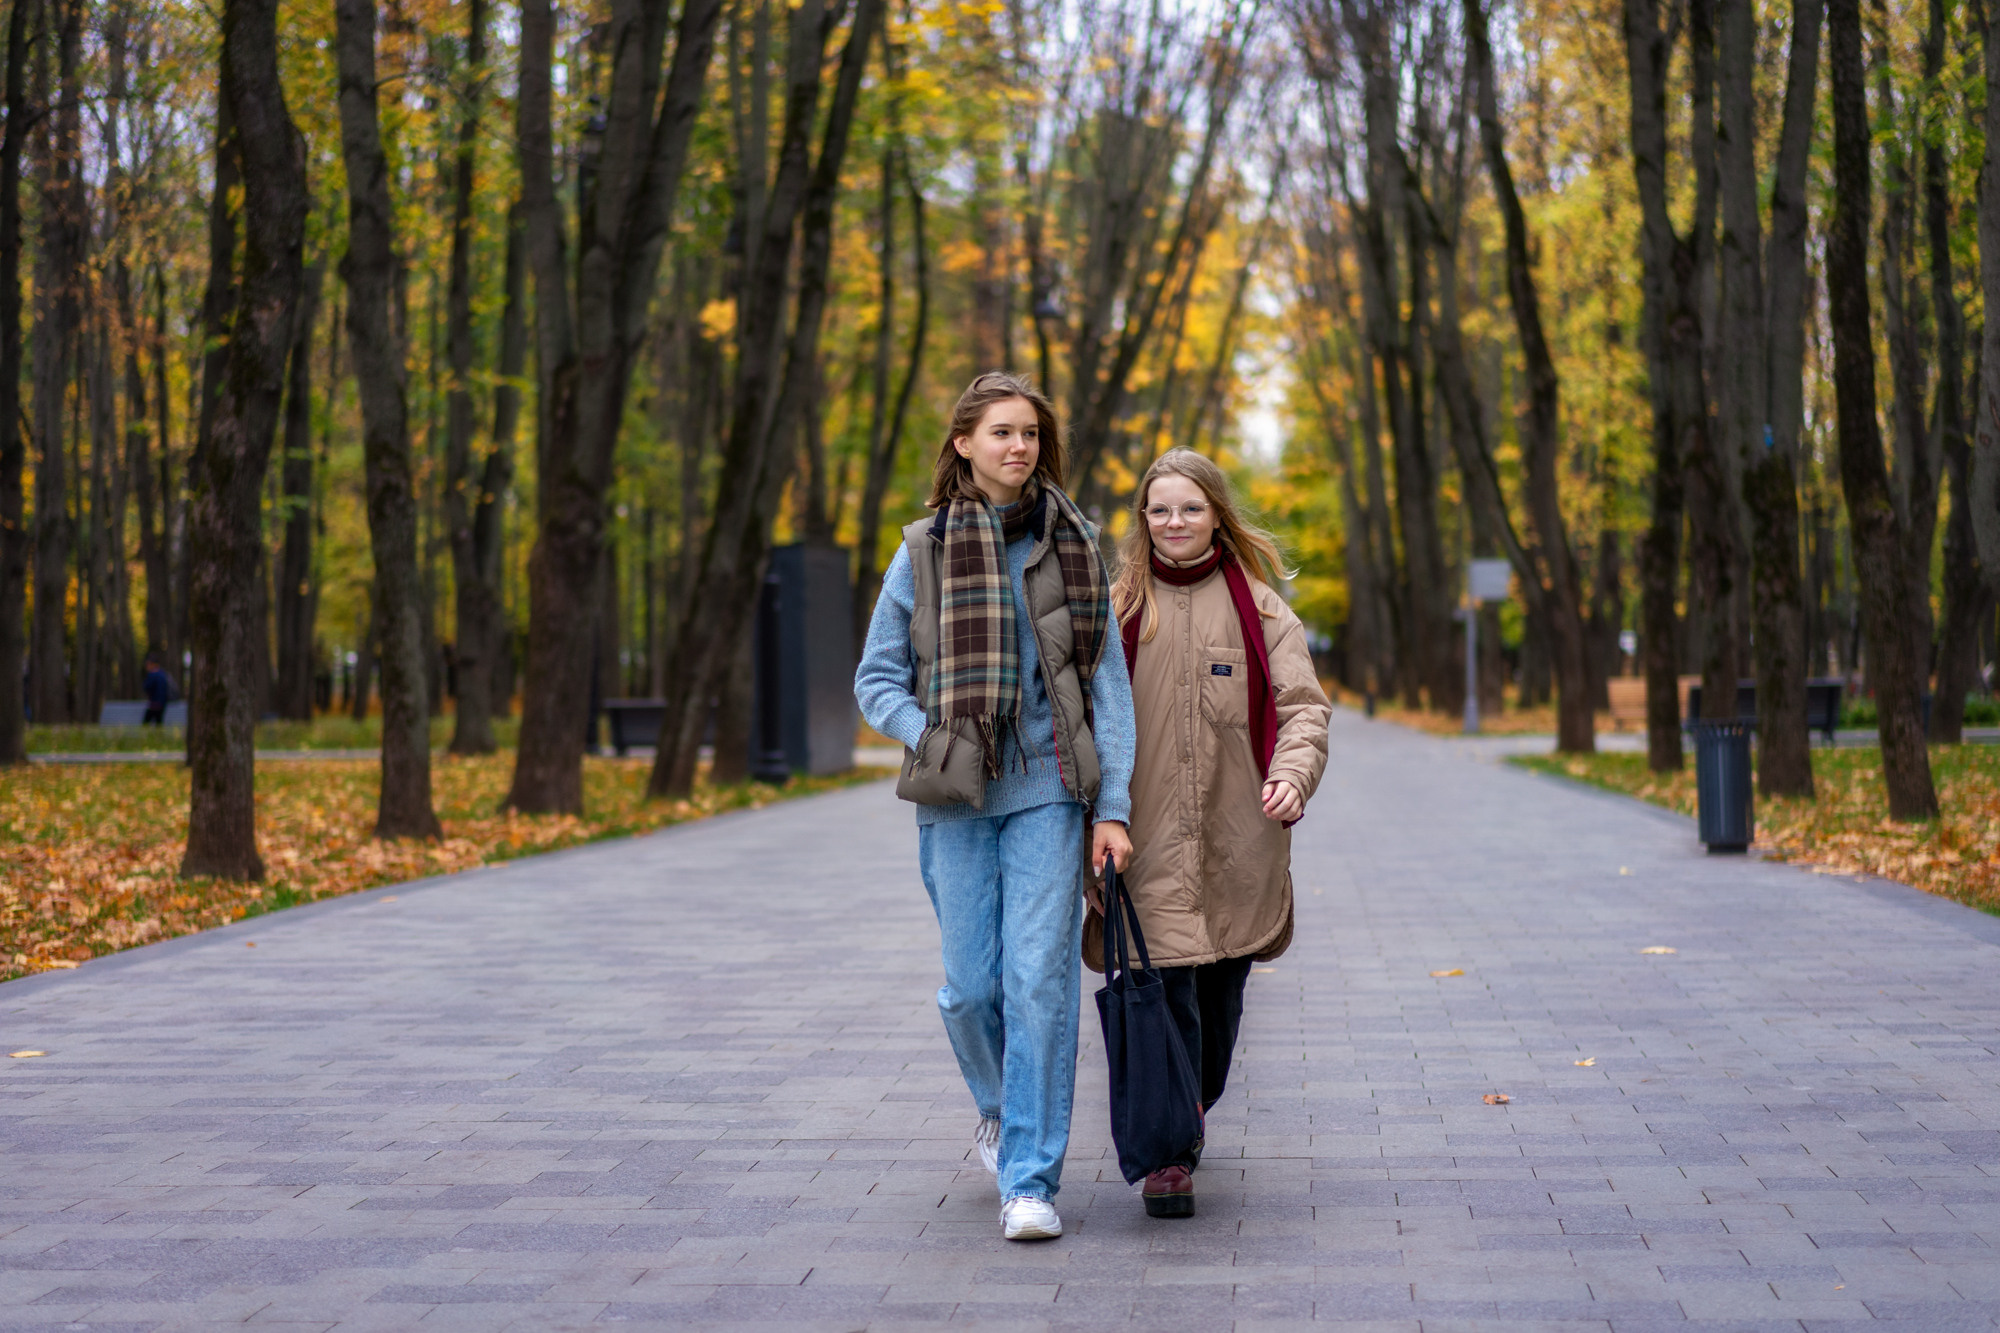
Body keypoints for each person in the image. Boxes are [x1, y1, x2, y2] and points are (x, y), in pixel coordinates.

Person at [855, 371, 1136, 1243]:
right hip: (954, 795)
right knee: (970, 990)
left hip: (1049, 787)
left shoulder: (1074, 543)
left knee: (1039, 983)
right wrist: (930, 731)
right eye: (1003, 432)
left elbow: (1108, 688)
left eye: (1031, 434)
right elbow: (876, 679)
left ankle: (1029, 1178)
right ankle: (1000, 1105)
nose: (1020, 447)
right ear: (966, 443)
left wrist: (1112, 805)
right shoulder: (923, 551)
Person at [1099, 448, 1330, 1219]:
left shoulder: (1264, 609)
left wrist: (1293, 774)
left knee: (1218, 1000)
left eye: (1189, 508)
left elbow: (1303, 708)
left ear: (1215, 514)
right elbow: (1082, 715)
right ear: (1144, 519)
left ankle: (1188, 1106)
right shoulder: (1119, 608)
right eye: (1159, 509)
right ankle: (1168, 1156)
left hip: (1241, 840)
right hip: (1144, 838)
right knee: (1163, 987)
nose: (1174, 523)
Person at [141, 651, 176, 726]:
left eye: (148, 664)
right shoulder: (163, 674)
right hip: (162, 703)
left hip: (154, 704)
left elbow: (146, 687)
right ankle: (159, 736)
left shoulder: (153, 675)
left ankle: (147, 737)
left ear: (152, 664)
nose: (146, 666)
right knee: (159, 723)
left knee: (145, 724)